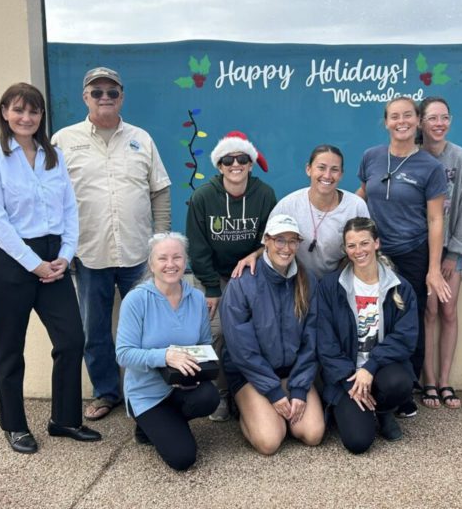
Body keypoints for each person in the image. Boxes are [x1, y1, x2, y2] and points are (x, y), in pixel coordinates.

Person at [0, 83, 101, 454]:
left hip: (53, 259)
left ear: (42, 115)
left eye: (33, 111)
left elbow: (69, 210)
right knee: (10, 349)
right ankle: (14, 425)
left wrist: (66, 254)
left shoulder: (53, 155)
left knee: (71, 340)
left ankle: (64, 420)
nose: (26, 118)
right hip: (8, 262)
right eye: (18, 110)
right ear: (4, 112)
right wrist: (35, 265)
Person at [52, 67, 172, 422]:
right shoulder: (63, 141)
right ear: (85, 97)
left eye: (112, 92)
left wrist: (160, 241)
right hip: (88, 253)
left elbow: (160, 191)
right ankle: (106, 392)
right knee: (95, 330)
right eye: (97, 92)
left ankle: (150, 392)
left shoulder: (141, 139)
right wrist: (62, 248)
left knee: (148, 327)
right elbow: (52, 199)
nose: (105, 97)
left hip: (139, 253)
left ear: (122, 97)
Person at [357, 96, 451, 418]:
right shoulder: (371, 157)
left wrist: (433, 269)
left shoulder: (430, 167)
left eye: (408, 115)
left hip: (412, 253)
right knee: (375, 316)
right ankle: (373, 381)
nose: (402, 122)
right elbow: (360, 198)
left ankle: (406, 390)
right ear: (386, 122)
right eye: (395, 116)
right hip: (375, 253)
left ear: (418, 121)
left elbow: (436, 219)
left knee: (410, 320)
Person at [185, 131, 276, 422]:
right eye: (228, 160)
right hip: (213, 276)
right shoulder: (202, 197)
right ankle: (220, 394)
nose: (235, 164)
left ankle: (253, 389)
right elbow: (197, 247)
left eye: (242, 159)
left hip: (251, 273)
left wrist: (255, 256)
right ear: (219, 165)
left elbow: (270, 240)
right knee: (218, 333)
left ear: (250, 163)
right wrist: (212, 288)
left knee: (258, 329)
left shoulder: (264, 194)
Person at [220, 214, 324, 455]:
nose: (286, 248)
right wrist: (274, 392)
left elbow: (312, 339)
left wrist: (299, 389)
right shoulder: (243, 282)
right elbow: (241, 349)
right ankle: (246, 409)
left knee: (312, 434)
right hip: (251, 375)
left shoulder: (307, 280)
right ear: (266, 240)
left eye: (292, 241)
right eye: (279, 240)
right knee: (269, 441)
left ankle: (278, 405)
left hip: (291, 372)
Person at [116, 232, 220, 470]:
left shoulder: (197, 299)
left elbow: (204, 344)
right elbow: (123, 354)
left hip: (184, 386)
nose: (170, 264)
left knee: (209, 397)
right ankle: (147, 426)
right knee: (183, 459)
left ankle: (167, 424)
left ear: (186, 261)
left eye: (177, 257)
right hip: (147, 394)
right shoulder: (136, 300)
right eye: (162, 258)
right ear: (151, 263)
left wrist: (198, 368)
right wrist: (165, 356)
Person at [317, 217, 419, 454]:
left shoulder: (399, 286)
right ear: (345, 249)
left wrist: (370, 367)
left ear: (376, 243)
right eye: (351, 245)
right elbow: (325, 342)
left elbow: (405, 337)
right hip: (347, 375)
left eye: (364, 243)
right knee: (358, 442)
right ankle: (355, 406)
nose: (358, 251)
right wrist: (349, 381)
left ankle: (383, 411)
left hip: (381, 369)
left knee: (399, 383)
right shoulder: (330, 287)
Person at [234, 144, 369, 280]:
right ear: (308, 169)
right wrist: (255, 255)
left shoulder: (356, 206)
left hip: (340, 282)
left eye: (334, 169)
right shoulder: (288, 206)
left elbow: (367, 249)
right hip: (296, 282)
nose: (327, 175)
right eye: (321, 168)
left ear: (341, 174)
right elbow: (269, 244)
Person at [418, 97, 462, 410]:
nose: (439, 124)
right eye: (432, 118)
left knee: (448, 312)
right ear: (421, 122)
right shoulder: (414, 155)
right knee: (428, 313)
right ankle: (428, 380)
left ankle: (444, 380)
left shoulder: (460, 157)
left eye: (444, 117)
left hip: (452, 249)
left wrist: (453, 254)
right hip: (423, 250)